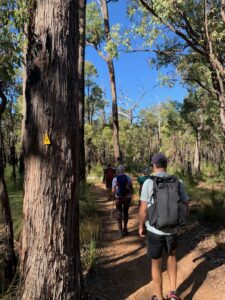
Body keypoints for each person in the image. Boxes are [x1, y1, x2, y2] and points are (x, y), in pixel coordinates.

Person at [139, 153, 189, 300]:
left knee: (156, 262)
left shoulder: (148, 183)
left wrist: (141, 226)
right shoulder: (178, 181)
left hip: (155, 230)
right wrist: (180, 222)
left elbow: (143, 210)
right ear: (166, 165)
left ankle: (159, 297)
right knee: (172, 256)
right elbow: (186, 205)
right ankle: (173, 293)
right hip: (173, 229)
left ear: (153, 165)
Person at [112, 165, 133, 237]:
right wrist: (131, 196)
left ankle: (120, 231)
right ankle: (125, 228)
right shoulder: (128, 177)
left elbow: (113, 190)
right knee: (126, 212)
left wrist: (113, 196)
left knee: (119, 213)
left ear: (118, 170)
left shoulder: (115, 179)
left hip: (118, 198)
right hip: (127, 197)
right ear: (124, 170)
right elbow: (131, 187)